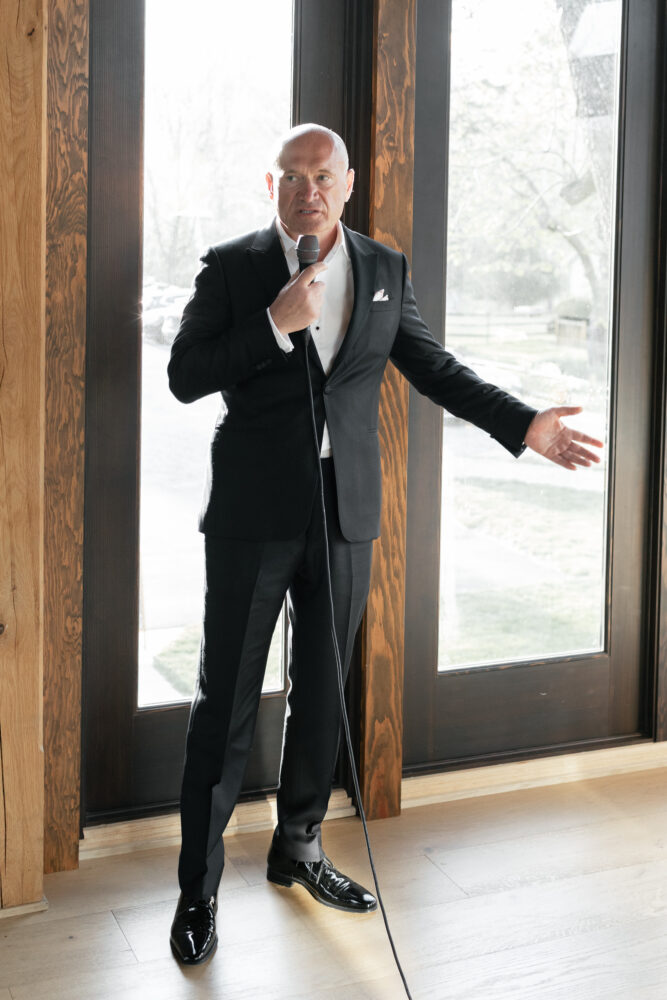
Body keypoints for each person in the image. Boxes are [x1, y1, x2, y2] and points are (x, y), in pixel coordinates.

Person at [167, 123, 602, 965]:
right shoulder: (232, 267)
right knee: (222, 705)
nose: (308, 190)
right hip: (254, 516)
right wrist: (271, 322)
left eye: (322, 175)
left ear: (348, 182)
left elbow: (435, 367)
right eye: (292, 176)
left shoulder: (381, 269)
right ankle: (197, 890)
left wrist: (524, 427)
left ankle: (298, 849)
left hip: (345, 511)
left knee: (323, 691)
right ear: (272, 185)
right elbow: (186, 374)